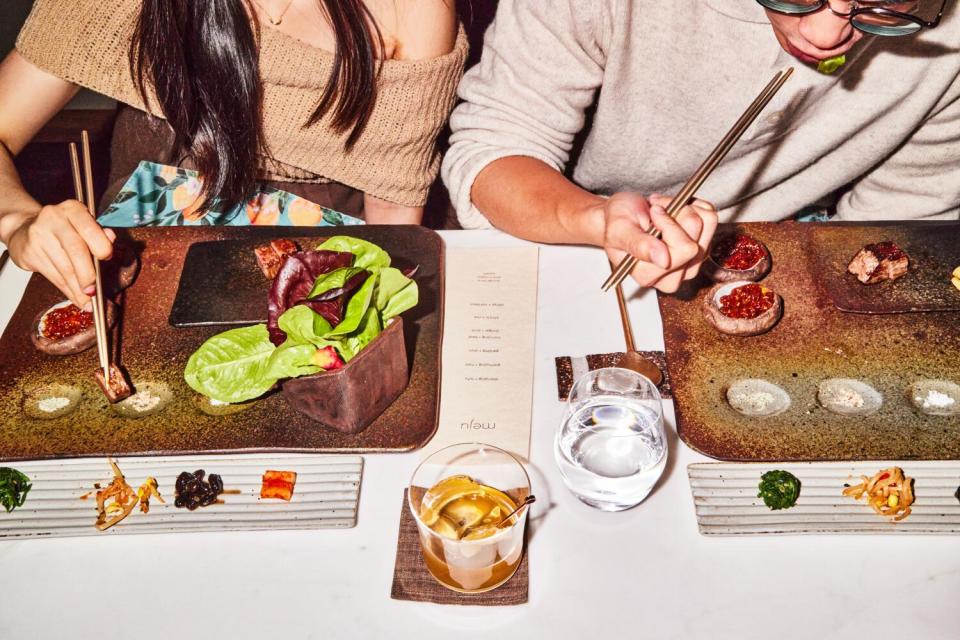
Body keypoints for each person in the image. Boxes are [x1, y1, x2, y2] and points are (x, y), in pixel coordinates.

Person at [443, 0, 959, 292]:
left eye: (886, 2)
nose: (824, 36)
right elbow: (494, 150)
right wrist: (596, 220)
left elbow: (899, 229)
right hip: (567, 232)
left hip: (792, 259)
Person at [0, 0, 465, 307]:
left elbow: (391, 216)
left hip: (312, 281)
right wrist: (17, 219)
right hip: (130, 269)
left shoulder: (412, 9)